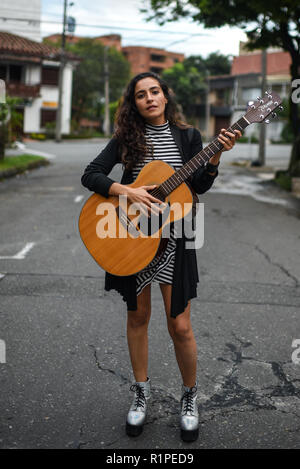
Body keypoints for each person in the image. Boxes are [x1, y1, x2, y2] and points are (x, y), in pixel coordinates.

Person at [81, 72, 241, 442]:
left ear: (165, 97)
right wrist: (127, 190)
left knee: (180, 325)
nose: (149, 98)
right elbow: (91, 175)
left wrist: (214, 155)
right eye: (141, 94)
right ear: (134, 103)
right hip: (131, 237)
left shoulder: (189, 137)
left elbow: (197, 186)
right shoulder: (127, 139)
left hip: (174, 239)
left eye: (155, 91)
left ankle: (189, 397)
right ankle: (141, 392)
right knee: (138, 317)